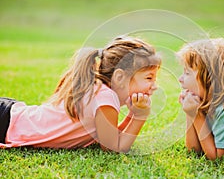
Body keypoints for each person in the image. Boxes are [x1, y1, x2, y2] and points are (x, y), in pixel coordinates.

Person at [0, 36, 161, 153]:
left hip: (9, 116)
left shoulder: (101, 93)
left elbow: (109, 137)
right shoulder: (106, 98)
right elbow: (114, 148)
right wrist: (140, 116)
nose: (154, 86)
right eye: (149, 78)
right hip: (6, 124)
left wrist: (132, 114)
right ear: (119, 77)